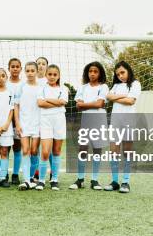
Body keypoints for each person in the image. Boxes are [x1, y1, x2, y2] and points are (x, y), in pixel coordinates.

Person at [70, 62, 109, 190]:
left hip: (99, 120)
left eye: (95, 71)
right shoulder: (83, 87)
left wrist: (85, 104)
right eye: (90, 71)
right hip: (86, 121)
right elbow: (78, 105)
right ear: (87, 73)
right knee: (83, 148)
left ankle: (94, 179)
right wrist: (92, 104)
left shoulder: (104, 87)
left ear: (100, 73)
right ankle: (80, 179)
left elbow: (99, 104)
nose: (92, 73)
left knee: (97, 149)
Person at [105, 61, 141, 194]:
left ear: (128, 71)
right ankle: (115, 181)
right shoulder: (116, 85)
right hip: (115, 121)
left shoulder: (135, 84)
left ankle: (125, 182)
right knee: (114, 150)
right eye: (118, 74)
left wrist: (115, 98)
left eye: (122, 72)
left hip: (128, 121)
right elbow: (108, 96)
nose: (120, 76)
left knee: (127, 151)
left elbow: (131, 101)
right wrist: (122, 96)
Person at [36, 64, 68, 191]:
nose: (52, 77)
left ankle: (54, 179)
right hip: (45, 121)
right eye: (50, 74)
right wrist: (56, 102)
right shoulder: (41, 88)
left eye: (55, 74)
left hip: (59, 120)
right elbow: (40, 103)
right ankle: (41, 180)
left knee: (56, 151)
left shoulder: (63, 89)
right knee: (45, 152)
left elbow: (63, 102)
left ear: (58, 76)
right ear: (46, 75)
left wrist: (48, 100)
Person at [14, 61, 40, 190]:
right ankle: (26, 180)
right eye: (28, 71)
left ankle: (31, 178)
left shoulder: (41, 86)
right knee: (25, 150)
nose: (30, 73)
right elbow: (16, 106)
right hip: (24, 123)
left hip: (38, 123)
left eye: (32, 71)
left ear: (36, 72)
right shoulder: (21, 86)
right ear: (25, 72)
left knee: (34, 151)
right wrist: (17, 123)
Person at [7, 58, 23, 185]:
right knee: (5, 148)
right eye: (13, 66)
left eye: (17, 66)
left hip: (18, 119)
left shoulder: (23, 84)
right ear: (9, 68)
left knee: (17, 147)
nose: (15, 68)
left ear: (21, 69)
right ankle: (4, 173)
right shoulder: (4, 83)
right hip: (6, 119)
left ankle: (15, 174)